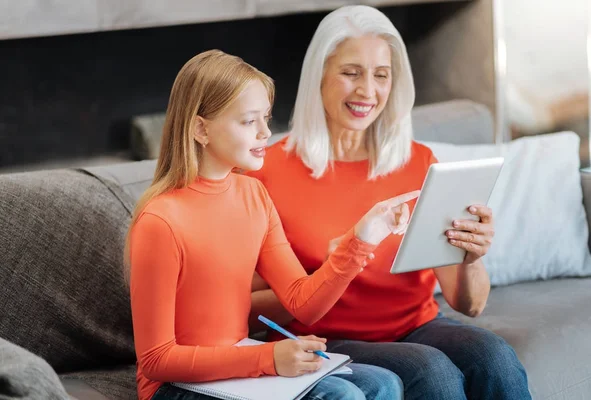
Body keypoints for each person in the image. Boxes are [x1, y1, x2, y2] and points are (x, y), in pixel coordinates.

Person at [248, 5, 531, 400]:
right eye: (351, 73)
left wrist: (471, 255)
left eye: (381, 75)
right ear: (319, 76)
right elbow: (241, 309)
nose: (368, 90)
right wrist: (331, 271)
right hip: (325, 338)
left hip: (417, 326)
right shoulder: (267, 172)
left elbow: (469, 305)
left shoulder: (418, 163)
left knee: (495, 357)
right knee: (432, 372)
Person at [126, 49, 407, 400]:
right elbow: (156, 360)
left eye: (266, 118)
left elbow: (302, 303)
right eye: (248, 121)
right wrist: (267, 357)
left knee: (384, 384)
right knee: (342, 396)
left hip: (236, 364)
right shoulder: (160, 220)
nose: (266, 132)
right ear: (200, 128)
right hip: (172, 387)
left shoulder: (253, 195)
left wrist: (362, 240)